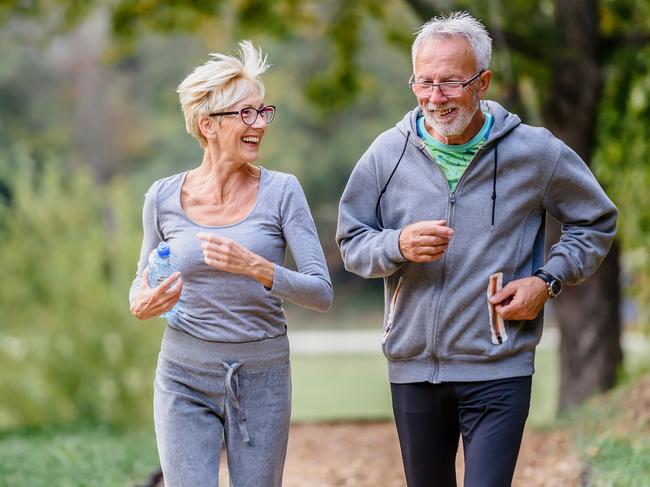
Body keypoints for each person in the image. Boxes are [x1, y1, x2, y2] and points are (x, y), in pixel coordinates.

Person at [336, 11, 617, 487]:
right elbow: (351, 241)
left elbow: (596, 221)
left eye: (450, 83)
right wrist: (396, 244)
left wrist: (546, 281)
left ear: (483, 81)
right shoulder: (387, 153)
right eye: (424, 82)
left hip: (498, 364)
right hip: (413, 367)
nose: (435, 97)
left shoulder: (536, 152)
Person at [129, 41, 333, 487]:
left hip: (262, 374)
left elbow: (321, 293)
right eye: (245, 114)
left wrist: (258, 268)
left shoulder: (283, 192)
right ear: (208, 125)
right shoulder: (162, 197)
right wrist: (142, 301)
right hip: (182, 373)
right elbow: (141, 281)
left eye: (262, 112)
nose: (259, 124)